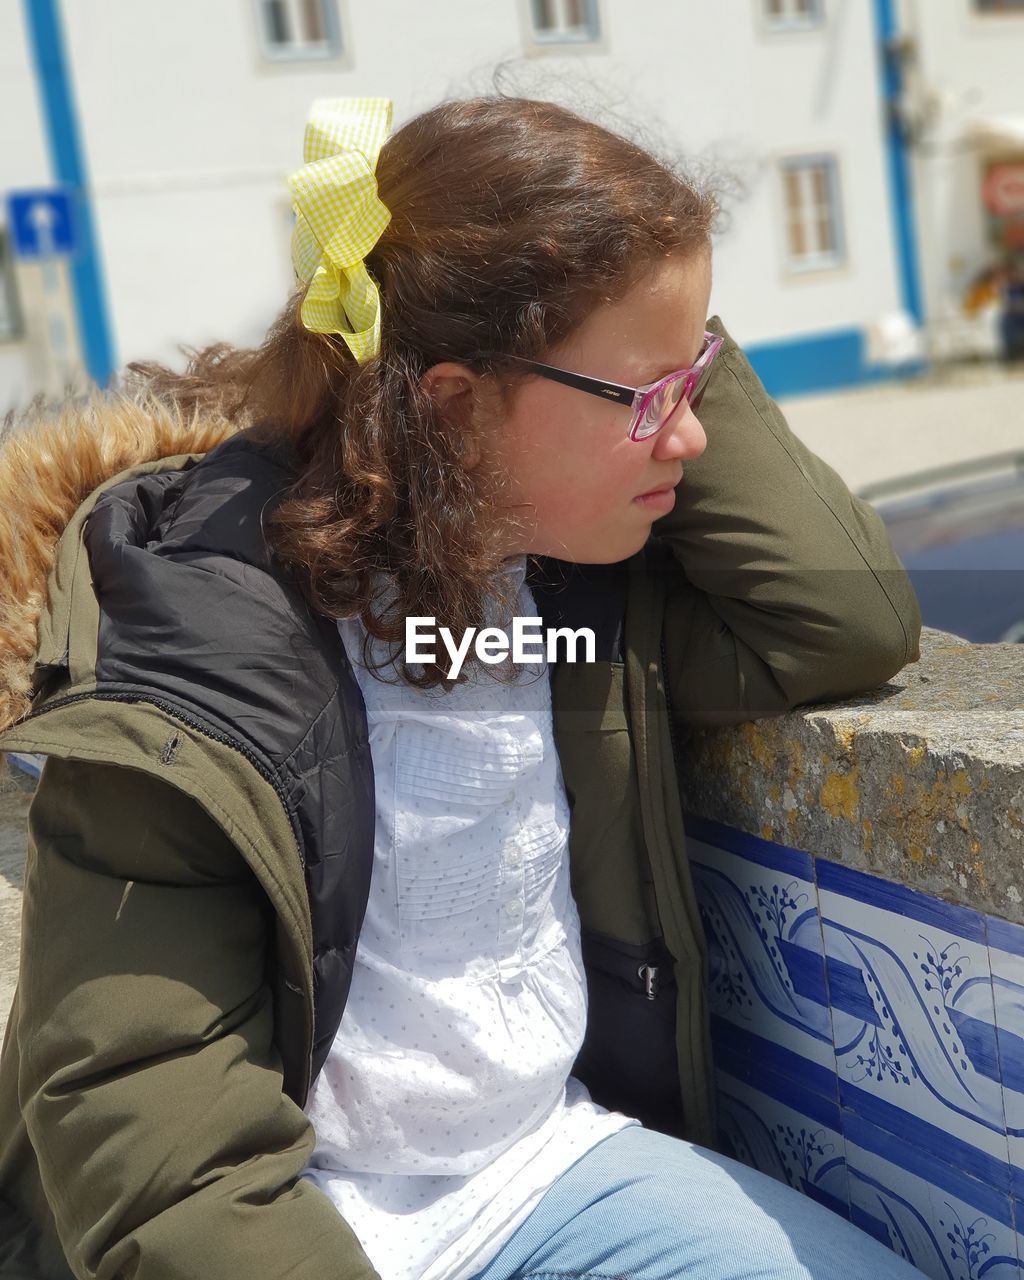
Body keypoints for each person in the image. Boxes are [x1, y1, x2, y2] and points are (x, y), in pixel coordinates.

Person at [0, 95, 925, 1280]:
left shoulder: (568, 590)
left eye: (693, 382)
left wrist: (656, 314)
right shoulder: (198, 651)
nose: (687, 438)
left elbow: (841, 617)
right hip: (299, 1221)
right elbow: (151, 1133)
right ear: (451, 401)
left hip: (544, 1169)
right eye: (649, 401)